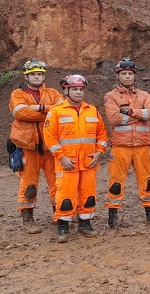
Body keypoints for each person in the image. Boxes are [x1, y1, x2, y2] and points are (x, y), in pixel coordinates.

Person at [43, 75, 108, 243]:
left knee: (88, 194)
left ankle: (85, 223)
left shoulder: (92, 110)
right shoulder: (56, 111)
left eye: (81, 89)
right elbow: (49, 138)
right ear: (65, 90)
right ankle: (63, 226)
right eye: (75, 89)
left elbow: (102, 134)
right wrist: (61, 157)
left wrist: (99, 152)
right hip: (67, 163)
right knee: (65, 195)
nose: (79, 93)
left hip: (88, 162)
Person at [104, 57, 150, 228]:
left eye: (130, 74)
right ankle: (112, 218)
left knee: (146, 180)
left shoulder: (145, 95)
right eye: (124, 74)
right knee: (116, 182)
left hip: (142, 145)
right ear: (118, 76)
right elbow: (114, 118)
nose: (127, 76)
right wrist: (138, 117)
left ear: (134, 76)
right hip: (121, 146)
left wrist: (130, 112)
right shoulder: (110, 96)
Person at [9, 58, 63, 234]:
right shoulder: (18, 94)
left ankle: (60, 215)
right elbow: (20, 113)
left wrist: (36, 107)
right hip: (28, 146)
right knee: (29, 184)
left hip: (50, 146)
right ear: (26, 76)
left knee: (57, 182)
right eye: (33, 74)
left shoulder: (53, 93)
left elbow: (61, 110)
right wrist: (47, 111)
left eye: (39, 74)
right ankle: (28, 219)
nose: (36, 77)